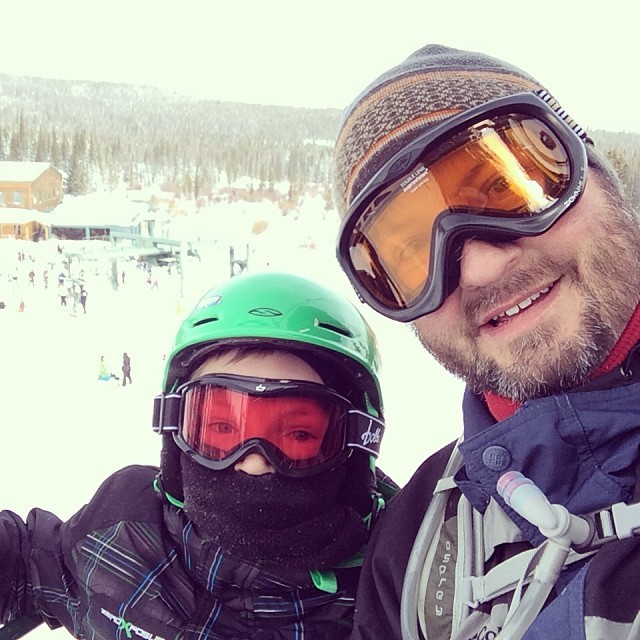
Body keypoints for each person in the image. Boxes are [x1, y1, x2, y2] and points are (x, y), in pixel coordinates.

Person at [332, 44, 640, 639]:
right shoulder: (414, 542)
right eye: (413, 255)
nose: (479, 269)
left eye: (509, 187)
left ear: (599, 177)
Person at [0, 272, 397, 639]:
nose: (254, 461)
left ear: (355, 445)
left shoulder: (398, 582)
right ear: (176, 432)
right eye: (222, 430)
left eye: (297, 435)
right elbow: (37, 562)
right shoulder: (127, 532)